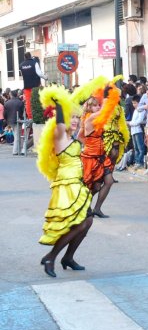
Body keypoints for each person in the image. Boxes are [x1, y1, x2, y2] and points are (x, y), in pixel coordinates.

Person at [37, 86, 93, 278]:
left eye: (77, 119)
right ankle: (51, 257)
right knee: (77, 224)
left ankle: (68, 257)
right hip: (66, 187)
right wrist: (60, 104)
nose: (76, 122)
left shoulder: (73, 138)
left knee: (88, 221)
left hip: (78, 185)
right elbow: (60, 122)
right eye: (73, 119)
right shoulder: (60, 137)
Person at [80, 84, 120, 219]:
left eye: (99, 105)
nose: (98, 107)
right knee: (94, 186)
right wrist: (110, 96)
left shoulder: (96, 119)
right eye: (96, 105)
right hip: (91, 157)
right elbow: (105, 111)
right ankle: (85, 207)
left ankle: (97, 208)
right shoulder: (90, 118)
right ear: (90, 108)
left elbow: (80, 135)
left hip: (101, 155)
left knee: (108, 182)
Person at [20, 52, 47, 119]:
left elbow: (22, 75)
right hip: (35, 86)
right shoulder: (34, 63)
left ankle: (30, 117)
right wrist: (46, 77)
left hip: (26, 86)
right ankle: (39, 116)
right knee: (37, 100)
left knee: (28, 102)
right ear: (31, 56)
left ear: (25, 57)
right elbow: (39, 73)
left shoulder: (21, 65)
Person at [3, 90, 25, 155]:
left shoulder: (7, 103)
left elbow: (5, 114)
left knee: (16, 135)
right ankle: (15, 151)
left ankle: (17, 150)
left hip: (10, 121)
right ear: (17, 95)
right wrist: (22, 119)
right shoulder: (20, 102)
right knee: (17, 136)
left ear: (11, 95)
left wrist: (6, 120)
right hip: (18, 120)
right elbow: (22, 112)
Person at [128, 95, 147, 169]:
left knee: (140, 147)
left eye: (135, 103)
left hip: (138, 130)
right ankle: (137, 161)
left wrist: (130, 123)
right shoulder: (136, 110)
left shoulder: (141, 110)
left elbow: (139, 121)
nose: (134, 105)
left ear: (139, 103)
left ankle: (140, 162)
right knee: (135, 147)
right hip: (133, 131)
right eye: (133, 103)